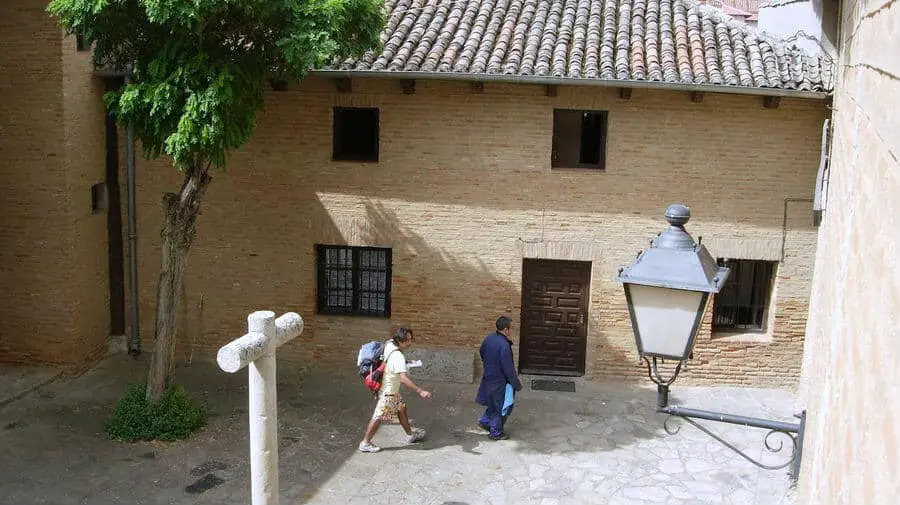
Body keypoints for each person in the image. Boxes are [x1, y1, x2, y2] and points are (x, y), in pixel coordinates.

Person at [359, 327, 432, 453]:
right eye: (407, 340)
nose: (410, 342)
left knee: (401, 409)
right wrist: (421, 391)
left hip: (388, 387)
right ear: (400, 340)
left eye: (411, 339)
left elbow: (389, 363)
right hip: (389, 391)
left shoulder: (389, 344)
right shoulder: (397, 355)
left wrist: (406, 363)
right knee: (378, 416)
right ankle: (365, 443)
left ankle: (410, 435)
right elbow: (403, 378)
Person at [476, 316, 522, 440]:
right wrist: (516, 383)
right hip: (500, 381)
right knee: (500, 407)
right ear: (506, 329)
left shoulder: (489, 338)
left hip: (489, 376)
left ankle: (485, 421)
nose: (510, 331)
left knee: (492, 403)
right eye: (510, 329)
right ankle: (495, 432)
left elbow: (482, 351)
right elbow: (508, 368)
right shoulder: (504, 346)